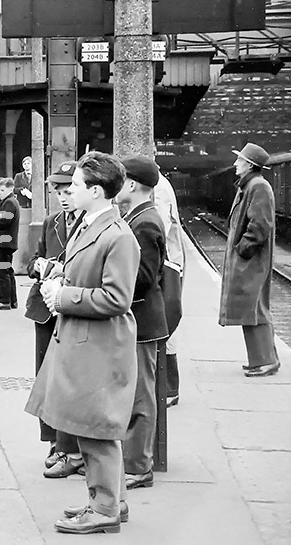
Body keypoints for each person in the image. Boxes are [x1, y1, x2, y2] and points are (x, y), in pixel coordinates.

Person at [25, 151, 139, 534]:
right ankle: (109, 501)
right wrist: (57, 277)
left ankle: (104, 509)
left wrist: (63, 296)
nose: (67, 191)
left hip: (98, 346)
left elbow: (117, 298)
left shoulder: (117, 236)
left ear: (95, 190)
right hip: (85, 342)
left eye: (74, 185)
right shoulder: (92, 225)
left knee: (96, 429)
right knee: (91, 427)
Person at [115, 155, 169, 491]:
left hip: (142, 320)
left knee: (140, 396)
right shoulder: (138, 216)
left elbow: (144, 277)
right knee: (134, 392)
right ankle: (134, 460)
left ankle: (139, 466)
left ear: (132, 185)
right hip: (137, 318)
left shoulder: (145, 222)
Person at [27, 161, 84, 478]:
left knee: (68, 378)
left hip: (71, 306)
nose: (63, 197)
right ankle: (53, 441)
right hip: (45, 309)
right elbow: (33, 258)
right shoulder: (52, 222)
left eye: (68, 191)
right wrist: (40, 266)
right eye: (58, 192)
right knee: (45, 377)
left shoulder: (90, 224)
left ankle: (70, 446)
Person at [220, 143, 279, 377]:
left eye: (240, 160)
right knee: (252, 308)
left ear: (250, 165)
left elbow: (260, 225)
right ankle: (261, 359)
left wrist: (243, 250)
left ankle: (266, 361)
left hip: (252, 260)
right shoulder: (252, 185)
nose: (236, 164)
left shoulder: (258, 187)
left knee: (256, 308)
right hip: (249, 260)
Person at [153, 171, 185, 406]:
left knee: (165, 324)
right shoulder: (159, 184)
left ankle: (169, 388)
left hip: (168, 265)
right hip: (167, 262)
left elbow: (160, 229)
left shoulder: (159, 188)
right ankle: (167, 386)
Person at [0, 178, 20, 310]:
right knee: (8, 271)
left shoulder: (9, 203)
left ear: (11, 189)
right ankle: (12, 300)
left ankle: (4, 300)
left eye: (2, 190)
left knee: (2, 272)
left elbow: (4, 221)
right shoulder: (10, 202)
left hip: (3, 241)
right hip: (7, 241)